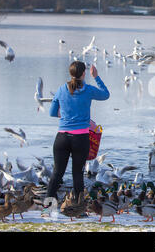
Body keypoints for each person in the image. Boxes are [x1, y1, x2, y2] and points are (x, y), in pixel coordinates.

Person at [42, 61, 109, 216]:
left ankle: (47, 209)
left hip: (62, 138)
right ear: (84, 74)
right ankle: (79, 210)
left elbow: (53, 113)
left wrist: (66, 116)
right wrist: (97, 77)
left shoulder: (61, 89)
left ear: (70, 73)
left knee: (57, 173)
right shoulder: (89, 90)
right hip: (80, 139)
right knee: (77, 173)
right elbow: (106, 94)